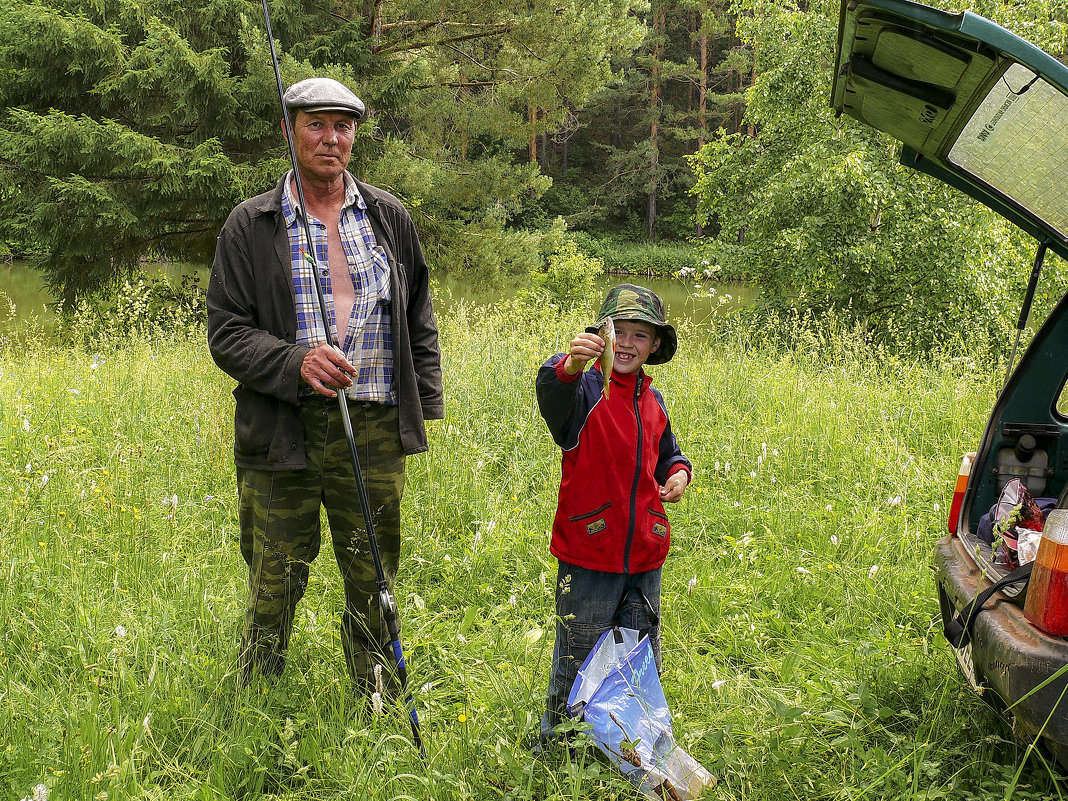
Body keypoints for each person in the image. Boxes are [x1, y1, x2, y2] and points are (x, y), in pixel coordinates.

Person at [206, 77, 443, 698]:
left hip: (373, 426)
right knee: (275, 571)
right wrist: (296, 363)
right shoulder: (250, 225)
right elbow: (226, 333)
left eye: (343, 126)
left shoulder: (389, 217)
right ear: (289, 131)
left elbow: (417, 313)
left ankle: (377, 696)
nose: (330, 139)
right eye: (316, 124)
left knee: (373, 570)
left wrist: (425, 404)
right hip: (284, 427)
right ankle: (256, 697)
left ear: (355, 135)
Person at [535, 284, 692, 746]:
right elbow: (551, 393)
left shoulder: (654, 400)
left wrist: (679, 475)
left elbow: (669, 456)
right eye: (617, 331)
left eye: (639, 335)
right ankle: (558, 746)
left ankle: (629, 745)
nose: (626, 344)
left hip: (644, 556)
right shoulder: (581, 390)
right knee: (579, 654)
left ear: (655, 345)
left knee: (639, 655)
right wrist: (569, 365)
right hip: (589, 553)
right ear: (600, 335)